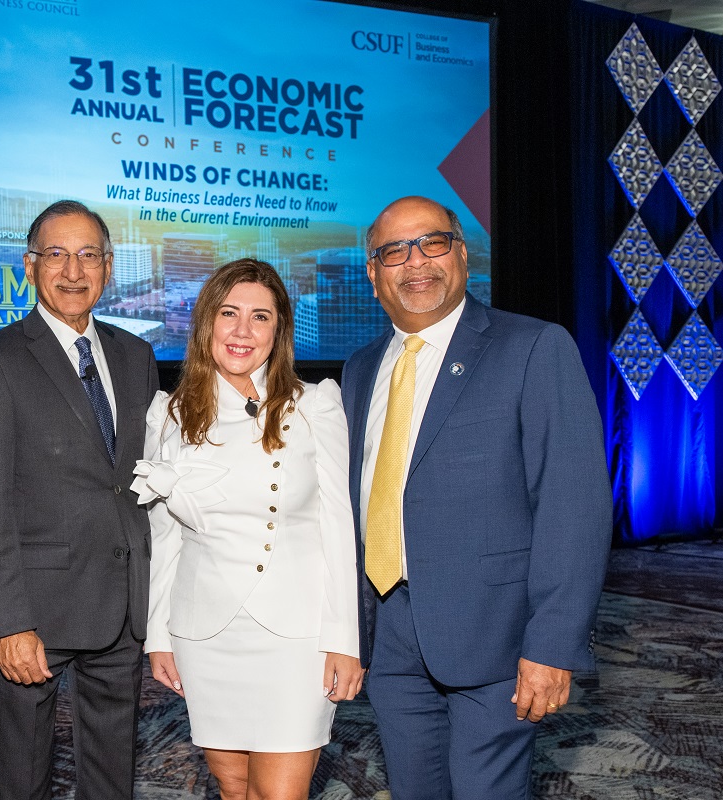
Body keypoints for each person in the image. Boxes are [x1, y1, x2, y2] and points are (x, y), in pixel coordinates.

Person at [340, 196, 612, 799]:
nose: (416, 263)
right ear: (372, 272)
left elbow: (573, 508)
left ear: (462, 254)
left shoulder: (534, 349)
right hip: (387, 633)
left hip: (499, 638)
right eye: (394, 251)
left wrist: (552, 644)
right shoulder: (360, 370)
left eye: (432, 243)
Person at [134, 259, 363, 800]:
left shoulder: (314, 408)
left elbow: (339, 530)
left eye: (260, 317)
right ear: (206, 322)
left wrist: (344, 641)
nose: (242, 331)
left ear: (279, 329)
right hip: (205, 631)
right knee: (233, 785)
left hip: (296, 636)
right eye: (229, 313)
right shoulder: (169, 415)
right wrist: (160, 637)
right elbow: (164, 538)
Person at [0, 200, 160, 800]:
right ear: (29, 265)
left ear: (108, 267)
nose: (73, 271)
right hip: (34, 613)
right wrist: (7, 621)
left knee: (112, 775)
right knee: (22, 777)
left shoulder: (136, 357)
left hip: (123, 606)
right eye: (57, 255)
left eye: (89, 256)